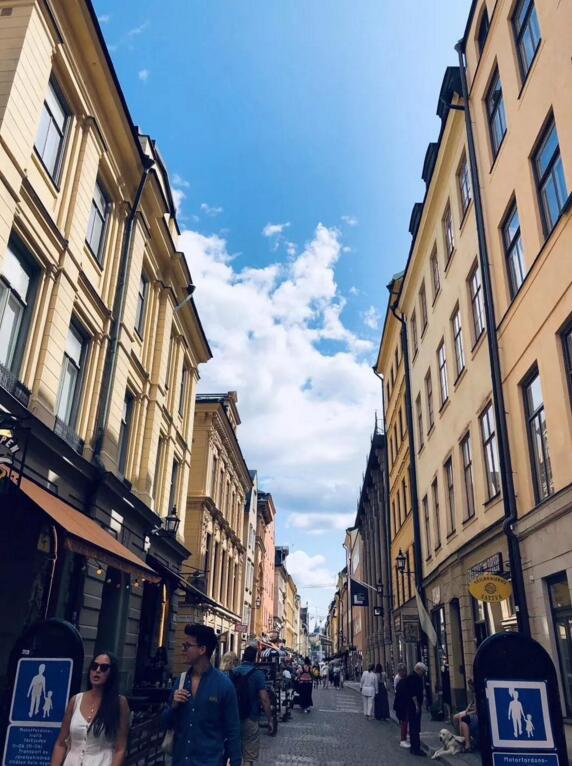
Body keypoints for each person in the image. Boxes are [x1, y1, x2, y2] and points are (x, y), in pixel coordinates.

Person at [161, 624, 241, 766]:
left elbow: (233, 730)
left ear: (202, 650)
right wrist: (173, 706)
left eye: (187, 646)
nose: (182, 649)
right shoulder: (181, 681)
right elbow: (165, 722)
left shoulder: (224, 685)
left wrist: (235, 761)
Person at [51, 652, 130, 766]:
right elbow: (61, 743)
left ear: (111, 673)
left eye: (103, 668)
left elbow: (120, 748)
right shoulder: (76, 700)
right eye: (94, 666)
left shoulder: (119, 703)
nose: (97, 670)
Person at [231, 645, 274, 766]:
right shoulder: (258, 674)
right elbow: (264, 699)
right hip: (251, 717)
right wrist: (270, 719)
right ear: (255, 658)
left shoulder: (233, 672)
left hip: (233, 718)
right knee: (248, 757)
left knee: (232, 754)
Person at [404, 662, 427, 757]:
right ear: (418, 669)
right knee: (415, 727)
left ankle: (414, 747)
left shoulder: (413, 677)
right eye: (423, 672)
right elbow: (413, 693)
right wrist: (417, 705)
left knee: (414, 727)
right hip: (413, 706)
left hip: (412, 705)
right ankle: (415, 748)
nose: (423, 674)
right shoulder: (413, 678)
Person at [394, 664, 410, 748]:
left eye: (405, 670)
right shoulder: (398, 679)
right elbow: (397, 691)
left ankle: (404, 737)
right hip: (402, 704)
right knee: (404, 722)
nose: (404, 672)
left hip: (403, 703)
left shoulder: (404, 679)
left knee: (405, 722)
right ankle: (403, 740)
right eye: (403, 671)